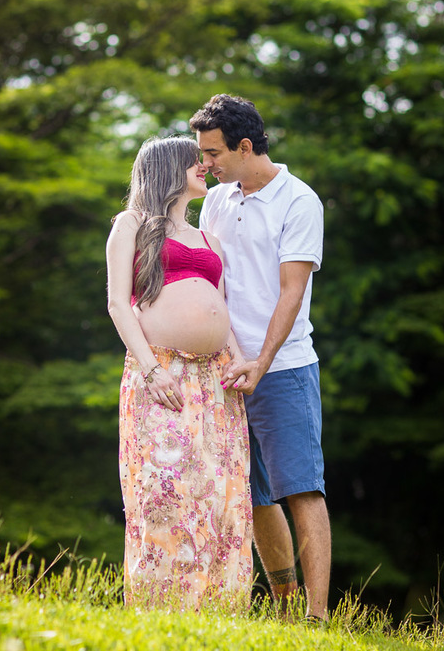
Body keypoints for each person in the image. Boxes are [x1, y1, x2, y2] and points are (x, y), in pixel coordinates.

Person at [190, 94, 330, 622]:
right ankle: (287, 610)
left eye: (213, 153)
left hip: (284, 368)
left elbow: (291, 293)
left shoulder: (300, 201)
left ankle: (317, 620)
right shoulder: (220, 199)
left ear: (245, 146)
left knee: (301, 490)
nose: (205, 165)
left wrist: (261, 362)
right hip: (224, 370)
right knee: (253, 496)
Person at [106, 135, 254, 610]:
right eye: (195, 161)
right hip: (162, 373)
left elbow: (222, 308)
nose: (205, 166)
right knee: (164, 489)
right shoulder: (131, 225)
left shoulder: (207, 237)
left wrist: (237, 361)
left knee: (220, 493)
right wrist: (151, 371)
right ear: (167, 168)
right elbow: (117, 303)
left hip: (216, 382)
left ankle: (219, 608)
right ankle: (161, 606)